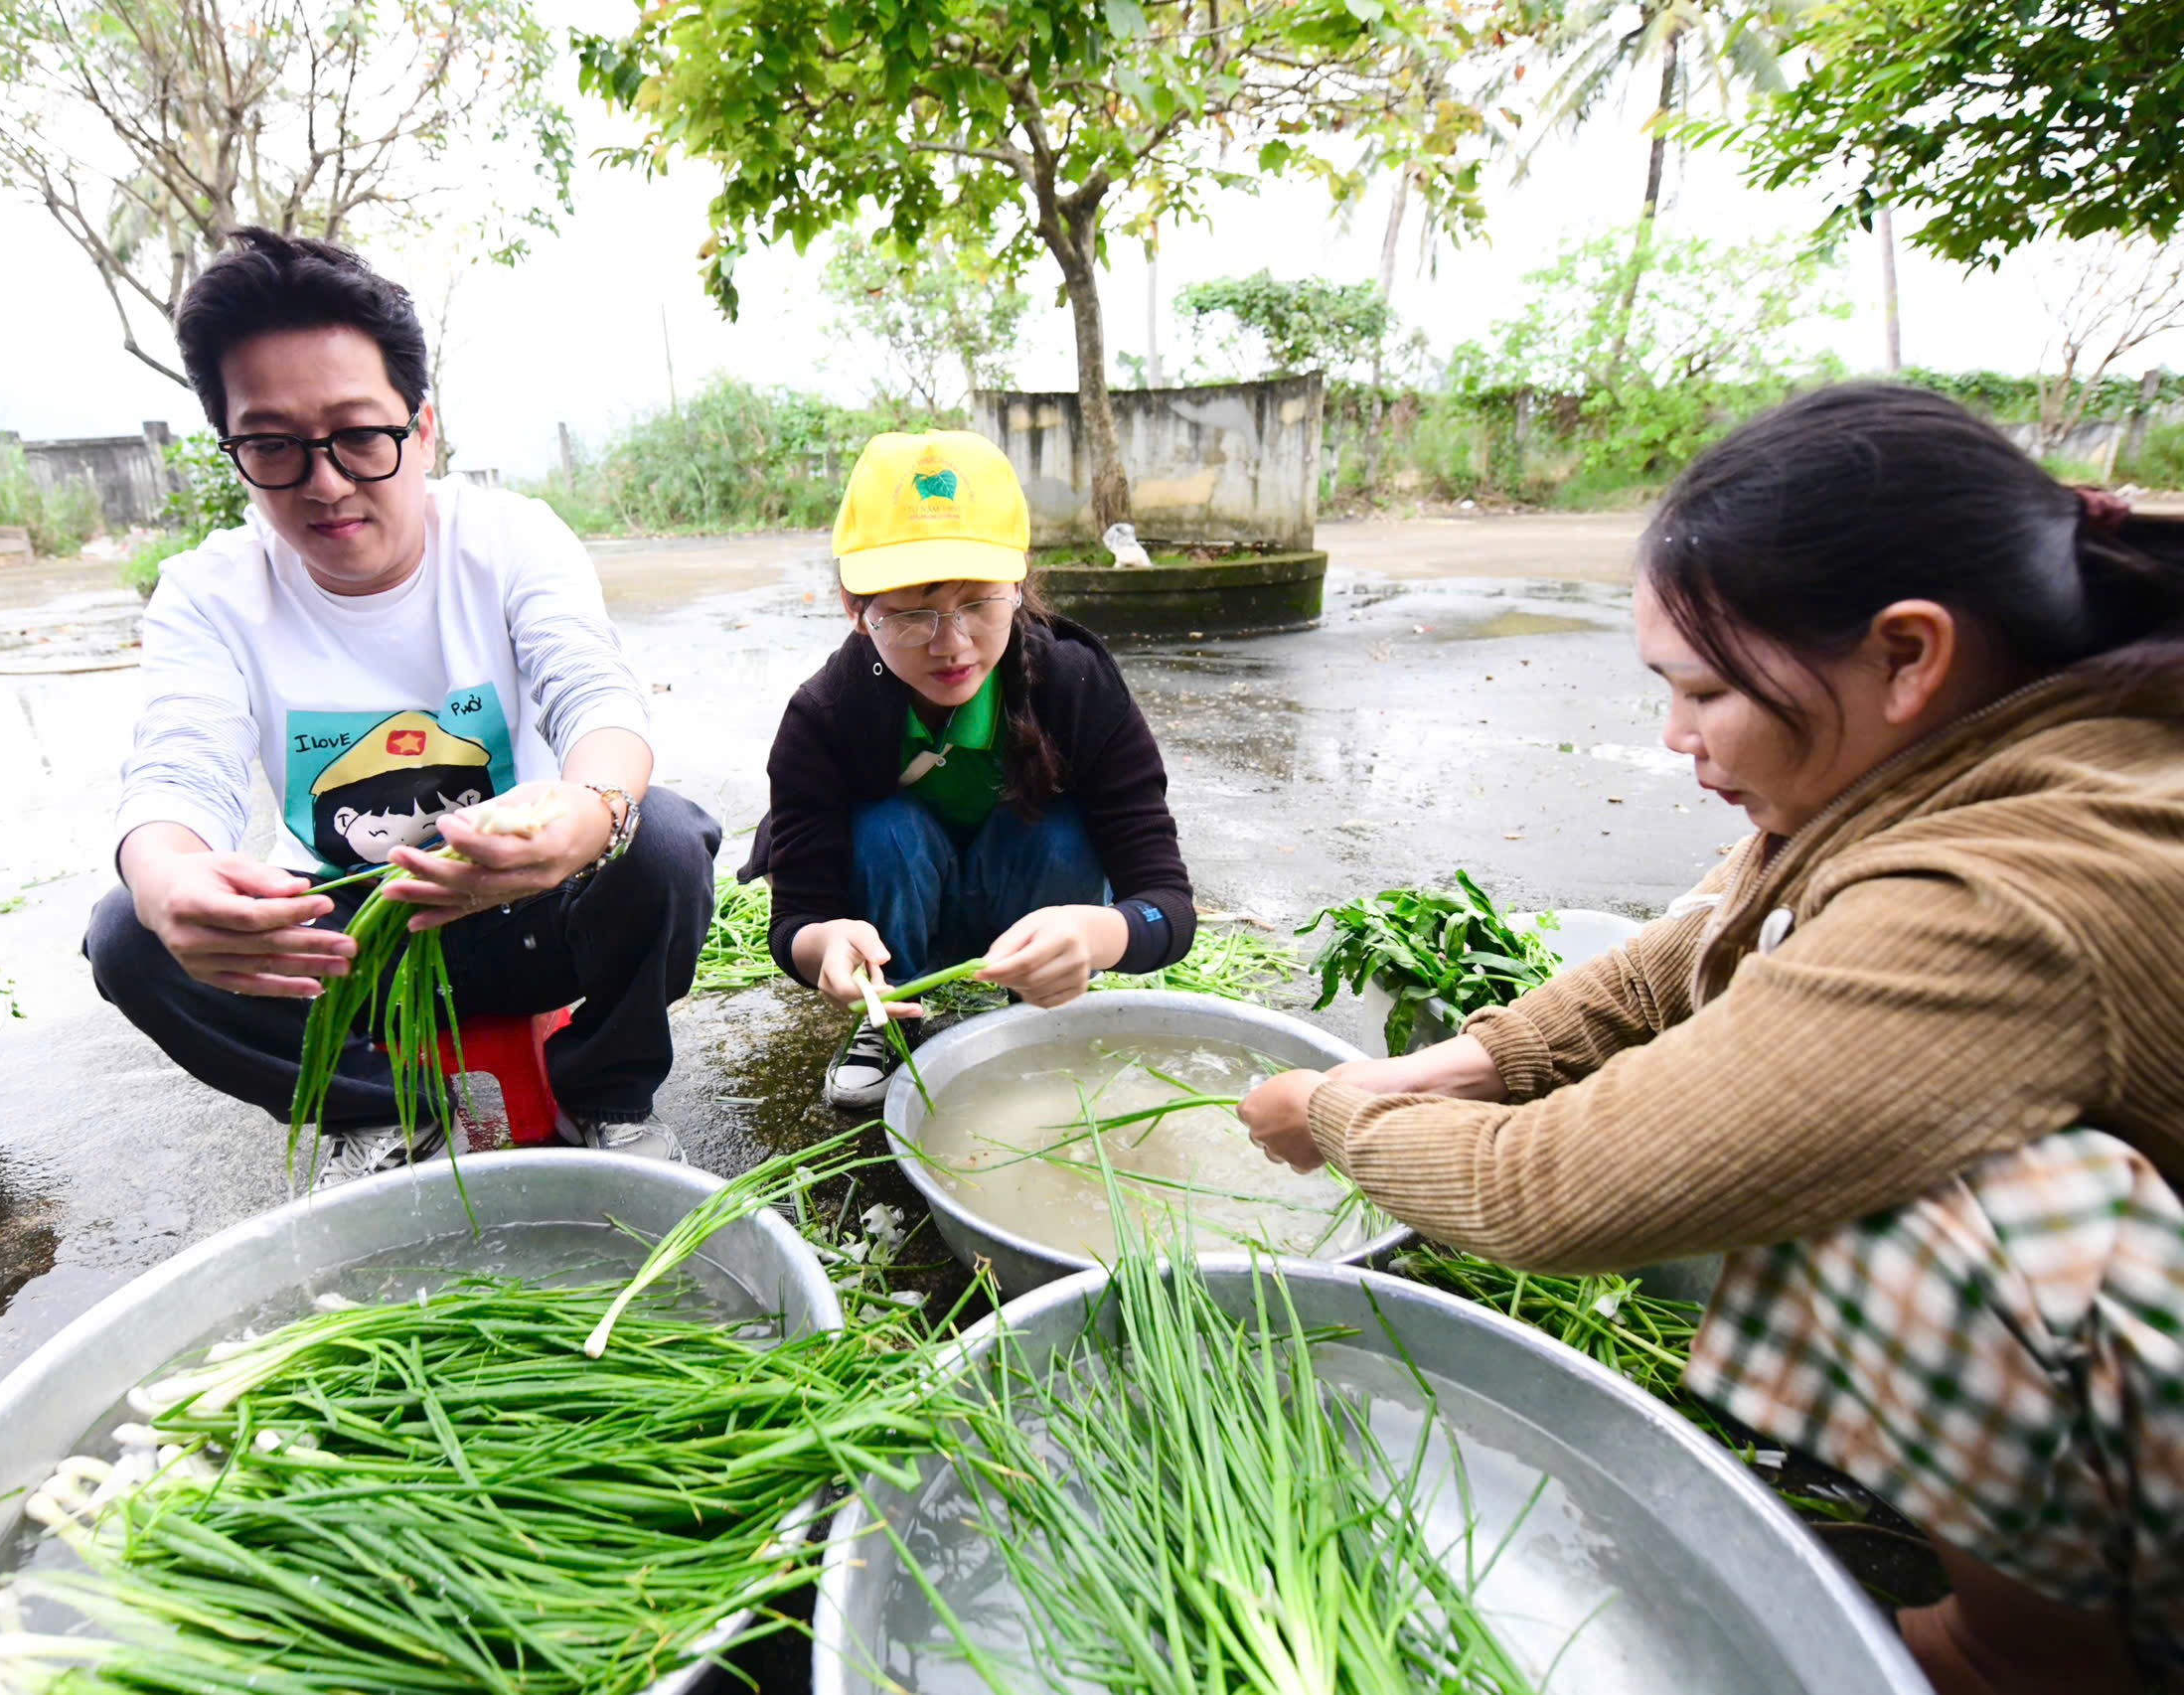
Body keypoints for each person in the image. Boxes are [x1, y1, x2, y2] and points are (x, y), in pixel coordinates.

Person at [1239, 385, 2184, 1694]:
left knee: (1939, 1190)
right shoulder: (1989, 737)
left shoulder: (2017, 889)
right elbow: (1701, 938)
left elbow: (1550, 1186)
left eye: (1704, 690)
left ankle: (2027, 1657)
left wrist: (1336, 1111)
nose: (1674, 738)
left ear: (1910, 654)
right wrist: (1469, 1058)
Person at [84, 228, 717, 1184]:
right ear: (233, 447)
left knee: (661, 839)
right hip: (344, 950)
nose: (325, 482)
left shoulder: (507, 539)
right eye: (274, 445)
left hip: (525, 903)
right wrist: (166, 875)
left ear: (422, 428)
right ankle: (385, 1115)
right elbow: (178, 768)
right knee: (128, 932)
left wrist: (590, 812)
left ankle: (608, 1095)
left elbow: (594, 693)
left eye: (358, 434)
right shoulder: (207, 591)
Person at [739, 429, 1196, 1109]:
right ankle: (893, 1023)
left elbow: (1168, 903)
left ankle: (1032, 1007)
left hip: (1024, 912)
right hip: (897, 926)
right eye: (911, 615)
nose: (950, 646)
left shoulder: (1074, 685)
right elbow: (796, 920)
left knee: (1061, 833)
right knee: (886, 828)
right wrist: (826, 945)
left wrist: (1100, 937)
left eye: (978, 604)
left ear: (1018, 585)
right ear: (854, 609)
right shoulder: (824, 715)